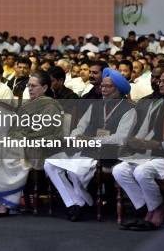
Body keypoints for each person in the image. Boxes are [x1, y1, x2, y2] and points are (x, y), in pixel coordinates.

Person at [0, 70, 63, 216]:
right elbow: (15, 128)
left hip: (39, 147)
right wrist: (17, 136)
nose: (29, 89)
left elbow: (47, 132)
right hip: (22, 143)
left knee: (2, 149)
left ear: (44, 88)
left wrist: (22, 136)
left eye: (34, 86)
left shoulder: (50, 106)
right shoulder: (27, 105)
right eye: (28, 85)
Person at [44, 68, 136, 221]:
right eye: (103, 86)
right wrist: (75, 137)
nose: (104, 89)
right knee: (49, 164)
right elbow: (80, 127)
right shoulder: (95, 105)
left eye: (108, 86)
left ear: (119, 90)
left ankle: (81, 203)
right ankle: (74, 202)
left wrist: (92, 140)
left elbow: (121, 138)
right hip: (85, 150)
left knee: (74, 171)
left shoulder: (129, 109)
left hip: (110, 153)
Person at [113, 66, 164, 230]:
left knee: (141, 172)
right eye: (159, 81)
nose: (159, 84)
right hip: (153, 154)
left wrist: (159, 145)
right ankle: (146, 207)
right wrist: (135, 142)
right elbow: (148, 130)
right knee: (119, 170)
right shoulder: (160, 103)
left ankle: (156, 210)